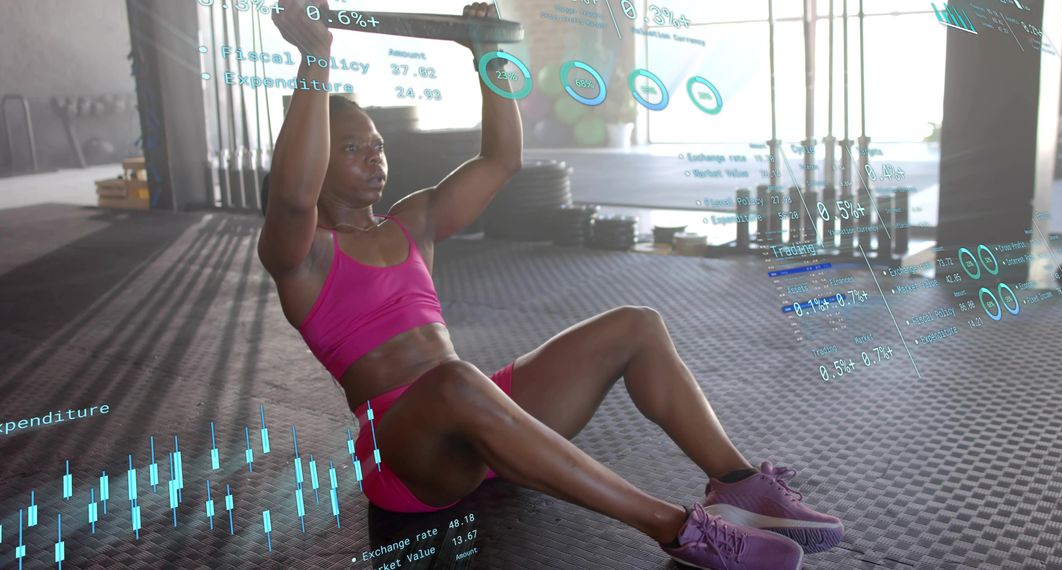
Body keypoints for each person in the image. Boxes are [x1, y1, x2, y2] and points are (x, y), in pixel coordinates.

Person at [258, 2, 843, 568]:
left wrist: (487, 57)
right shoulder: (301, 255)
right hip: (409, 456)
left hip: (478, 416)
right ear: (315, 160)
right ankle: (679, 530)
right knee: (457, 380)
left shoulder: (414, 221)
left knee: (635, 325)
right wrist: (315, 58)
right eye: (352, 148)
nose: (374, 156)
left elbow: (502, 159)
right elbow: (291, 196)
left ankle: (739, 485)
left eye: (378, 144)